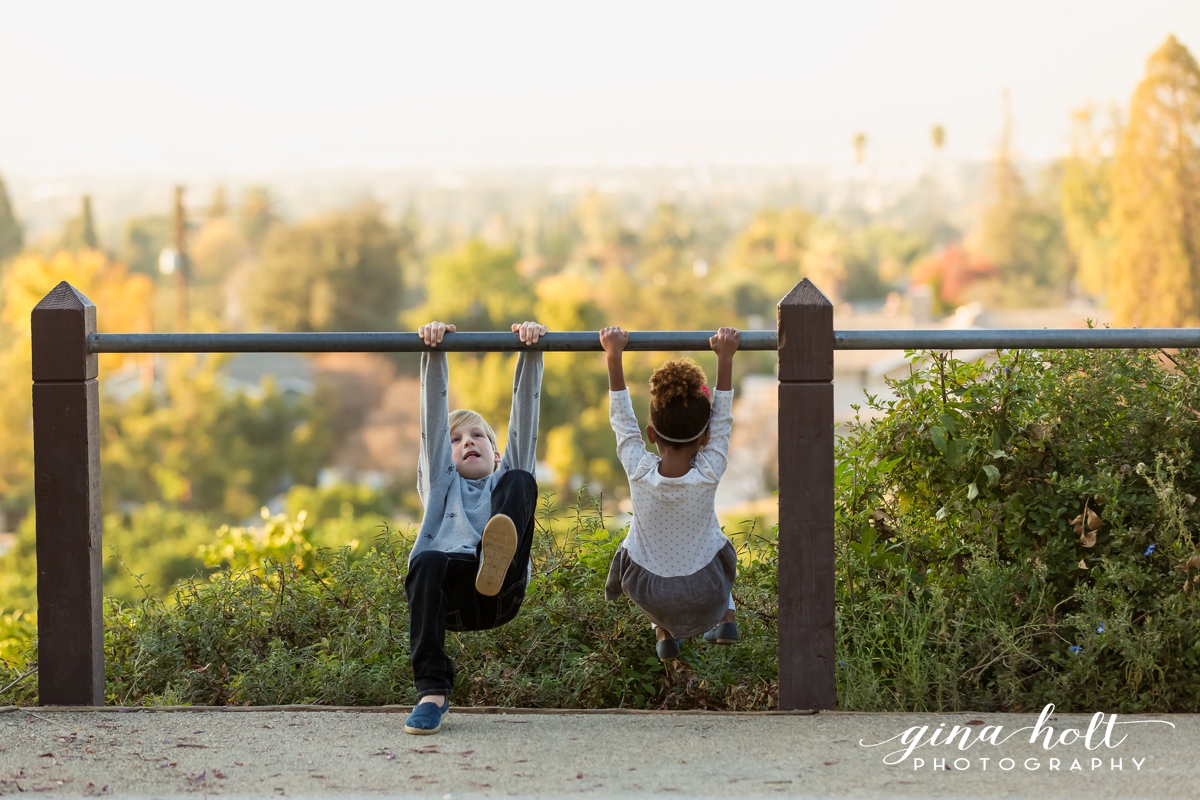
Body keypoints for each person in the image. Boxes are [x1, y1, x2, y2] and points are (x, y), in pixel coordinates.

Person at [403, 319, 547, 735]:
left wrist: (531, 351)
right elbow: (431, 417)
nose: (468, 442)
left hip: (502, 594)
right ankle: (432, 693)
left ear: (496, 451)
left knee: (522, 482)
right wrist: (434, 352)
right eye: (456, 439)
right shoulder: (440, 485)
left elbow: (526, 417)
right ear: (442, 458)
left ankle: (496, 559)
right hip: (451, 594)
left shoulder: (506, 474)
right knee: (427, 561)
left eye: (478, 435)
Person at [600, 326, 741, 661]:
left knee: (637, 546)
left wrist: (613, 353)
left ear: (651, 434)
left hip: (650, 592)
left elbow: (622, 418)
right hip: (707, 588)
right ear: (704, 438)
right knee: (714, 535)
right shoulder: (710, 470)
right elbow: (722, 420)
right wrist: (725, 356)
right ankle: (727, 616)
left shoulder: (637, 468)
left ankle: (664, 632)